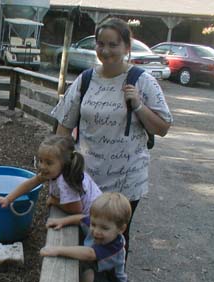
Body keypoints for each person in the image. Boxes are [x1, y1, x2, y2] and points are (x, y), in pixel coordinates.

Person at [52, 17, 173, 258]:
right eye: (100, 44)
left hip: (125, 185)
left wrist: (138, 105)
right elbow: (63, 128)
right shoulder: (85, 80)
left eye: (113, 44)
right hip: (86, 181)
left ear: (127, 47)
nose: (105, 51)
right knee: (83, 233)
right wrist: (61, 168)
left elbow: (162, 127)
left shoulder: (143, 81)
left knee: (113, 245)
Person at [40, 192, 132, 282]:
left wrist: (57, 250)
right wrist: (62, 221)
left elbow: (90, 254)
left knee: (89, 275)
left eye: (104, 228)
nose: (96, 231)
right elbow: (81, 219)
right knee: (85, 274)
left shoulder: (116, 246)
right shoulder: (99, 223)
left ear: (121, 229)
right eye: (94, 225)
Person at [0, 134, 101, 224]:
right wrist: (8, 199)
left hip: (96, 219)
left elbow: (76, 209)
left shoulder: (65, 181)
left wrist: (54, 201)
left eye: (49, 163)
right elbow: (30, 184)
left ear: (64, 164)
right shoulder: (53, 172)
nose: (43, 166)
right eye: (41, 160)